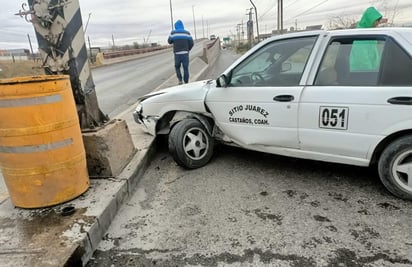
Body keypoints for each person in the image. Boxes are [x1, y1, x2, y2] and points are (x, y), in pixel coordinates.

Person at [349, 7, 387, 71]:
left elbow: (373, 56)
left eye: (378, 21)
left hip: (371, 71)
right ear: (369, 20)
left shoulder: (369, 33)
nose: (377, 23)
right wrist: (373, 73)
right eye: (376, 20)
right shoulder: (361, 36)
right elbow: (362, 60)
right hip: (361, 73)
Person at [168, 20, 194, 84]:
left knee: (177, 67)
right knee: (185, 68)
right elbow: (191, 43)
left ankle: (180, 80)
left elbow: (169, 41)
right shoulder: (187, 33)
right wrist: (188, 49)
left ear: (176, 26)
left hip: (177, 54)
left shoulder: (173, 33)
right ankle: (186, 82)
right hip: (185, 54)